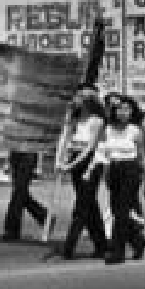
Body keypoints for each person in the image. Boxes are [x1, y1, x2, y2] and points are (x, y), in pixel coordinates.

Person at [89, 96, 145, 263]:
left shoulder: (135, 130)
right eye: (120, 109)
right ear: (114, 111)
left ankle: (118, 252)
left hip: (131, 170)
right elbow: (100, 151)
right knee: (117, 211)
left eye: (128, 109)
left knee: (123, 211)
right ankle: (137, 241)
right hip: (113, 170)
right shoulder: (107, 129)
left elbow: (142, 157)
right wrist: (95, 170)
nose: (124, 113)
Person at [55, 93, 108, 259]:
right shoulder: (73, 119)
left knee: (81, 206)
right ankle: (102, 245)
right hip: (76, 158)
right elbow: (64, 139)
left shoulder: (97, 121)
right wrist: (59, 160)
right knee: (89, 204)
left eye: (78, 99)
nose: (74, 101)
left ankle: (69, 247)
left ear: (87, 103)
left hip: (91, 162)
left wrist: (71, 165)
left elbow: (90, 148)